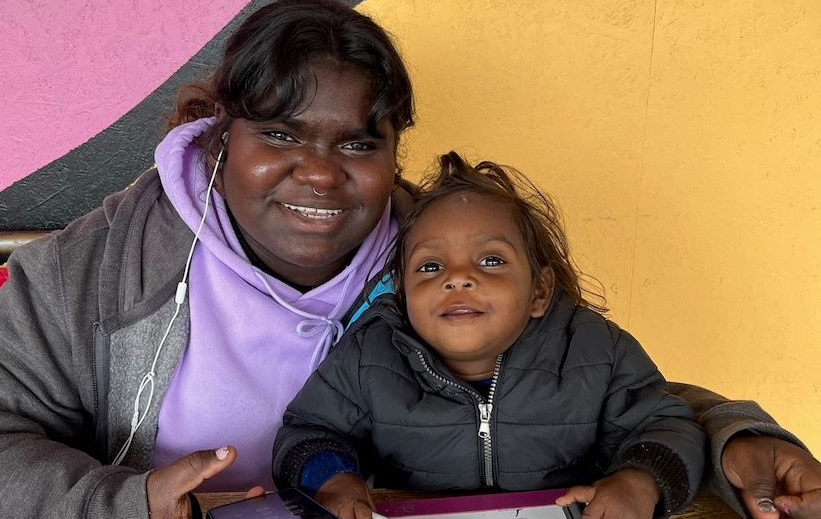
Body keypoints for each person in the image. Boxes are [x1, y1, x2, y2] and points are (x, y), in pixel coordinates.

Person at [0, 0, 818, 519]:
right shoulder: (108, 266)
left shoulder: (439, 258)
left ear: (393, 152)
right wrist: (120, 504)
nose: (321, 173)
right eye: (281, 132)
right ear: (223, 133)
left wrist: (734, 431)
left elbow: (593, 378)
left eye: (359, 142)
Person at [272, 151, 708, 519]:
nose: (457, 278)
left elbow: (666, 425)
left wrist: (638, 481)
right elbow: (310, 430)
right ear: (403, 295)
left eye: (491, 261)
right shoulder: (371, 356)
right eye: (430, 266)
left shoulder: (596, 351)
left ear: (539, 290)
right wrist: (331, 476)